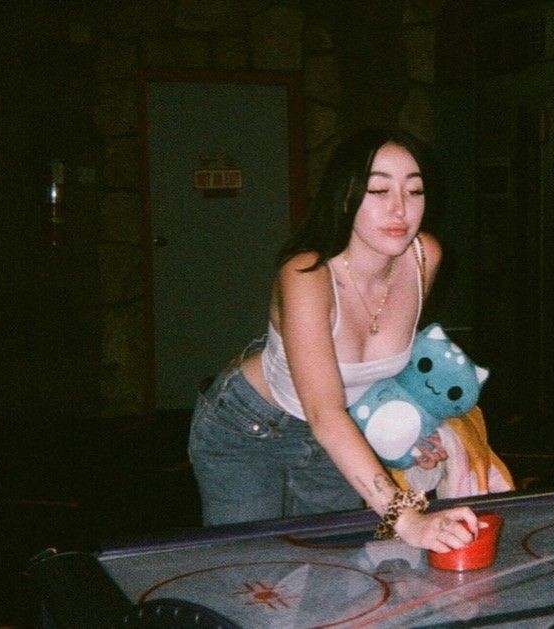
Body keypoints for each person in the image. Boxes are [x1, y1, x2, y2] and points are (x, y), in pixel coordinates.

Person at [188, 127, 479, 553]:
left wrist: (409, 427)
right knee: (252, 570)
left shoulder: (424, 257)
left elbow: (381, 367)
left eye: (414, 191)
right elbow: (324, 412)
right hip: (249, 430)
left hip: (341, 431)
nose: (400, 208)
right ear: (345, 197)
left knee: (332, 567)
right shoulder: (306, 274)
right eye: (378, 190)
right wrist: (409, 520)